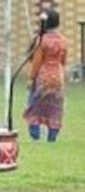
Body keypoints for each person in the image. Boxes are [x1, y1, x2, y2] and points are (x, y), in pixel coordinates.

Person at [25, 8, 69, 143]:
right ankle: (52, 136)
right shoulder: (63, 40)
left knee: (34, 105)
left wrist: (31, 78)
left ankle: (35, 135)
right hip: (58, 77)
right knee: (55, 107)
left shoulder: (41, 40)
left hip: (42, 78)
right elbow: (63, 61)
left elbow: (36, 61)